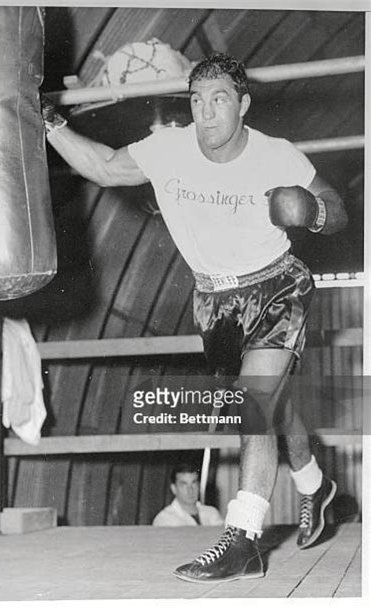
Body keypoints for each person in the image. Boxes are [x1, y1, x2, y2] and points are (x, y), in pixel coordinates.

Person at [42, 52, 347, 583]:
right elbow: (104, 166)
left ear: (243, 105)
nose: (206, 114)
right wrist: (48, 121)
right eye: (197, 101)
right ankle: (315, 483)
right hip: (214, 302)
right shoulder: (167, 149)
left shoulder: (277, 156)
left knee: (256, 403)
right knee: (270, 402)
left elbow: (336, 209)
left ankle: (244, 538)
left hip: (277, 285)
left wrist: (313, 211)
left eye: (220, 100)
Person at [152, 463, 223, 527]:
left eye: (193, 483)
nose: (190, 490)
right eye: (184, 484)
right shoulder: (164, 519)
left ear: (199, 485)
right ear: (174, 488)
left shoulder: (212, 513)